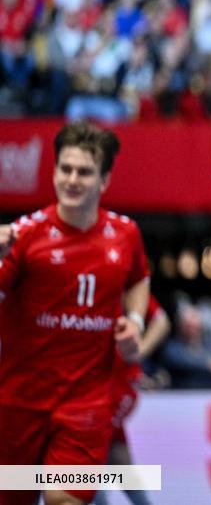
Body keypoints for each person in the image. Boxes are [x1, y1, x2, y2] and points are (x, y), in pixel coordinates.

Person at [0, 121, 150, 505]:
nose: (72, 179)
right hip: (19, 404)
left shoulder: (125, 234)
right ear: (53, 173)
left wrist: (134, 322)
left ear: (104, 181)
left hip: (85, 407)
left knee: (63, 499)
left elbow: (138, 279)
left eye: (84, 171)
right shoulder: (24, 236)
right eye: (65, 169)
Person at [92, 295, 171, 505]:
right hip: (86, 391)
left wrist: (140, 350)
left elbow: (161, 320)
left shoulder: (124, 283)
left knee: (94, 467)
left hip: (113, 390)